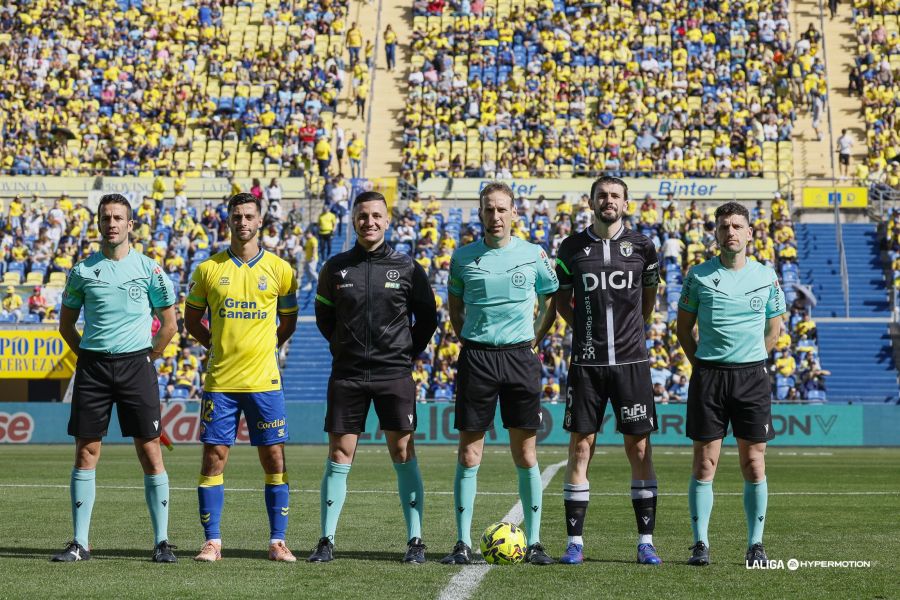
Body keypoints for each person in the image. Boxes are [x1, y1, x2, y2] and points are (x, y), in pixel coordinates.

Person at [309, 191, 438, 563]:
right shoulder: (335, 268)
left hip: (393, 373)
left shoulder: (408, 267)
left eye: (376, 215)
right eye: (363, 216)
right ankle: (326, 540)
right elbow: (324, 318)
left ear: (387, 220)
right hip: (347, 374)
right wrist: (342, 346)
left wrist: (404, 353)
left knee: (403, 451)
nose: (370, 222)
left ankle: (415, 541)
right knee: (339, 453)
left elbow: (428, 319)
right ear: (353, 220)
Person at [439, 182, 559, 565]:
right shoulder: (462, 257)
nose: (496, 216)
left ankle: (534, 543)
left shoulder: (533, 254)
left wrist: (534, 339)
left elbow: (551, 300)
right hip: (477, 358)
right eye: (489, 209)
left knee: (525, 452)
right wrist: (469, 339)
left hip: (520, 358)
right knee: (469, 452)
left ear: (514, 213)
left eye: (502, 209)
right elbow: (455, 308)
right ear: (480, 213)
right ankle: (461, 543)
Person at [54, 193, 178, 562]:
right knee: (86, 450)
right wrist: (87, 355)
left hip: (136, 366)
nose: (112, 224)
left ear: (130, 225)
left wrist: (149, 357)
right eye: (106, 217)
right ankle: (80, 543)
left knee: (150, 451)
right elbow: (66, 325)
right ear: (98, 223)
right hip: (93, 367)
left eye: (118, 218)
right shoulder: (82, 271)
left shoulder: (150, 269)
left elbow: (169, 324)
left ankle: (162, 542)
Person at [553, 176, 663, 565]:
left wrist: (631, 332)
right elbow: (562, 301)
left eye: (615, 195)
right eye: (602, 195)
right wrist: (585, 330)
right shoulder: (570, 248)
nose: (608, 200)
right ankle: (575, 543)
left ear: (626, 203)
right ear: (591, 202)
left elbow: (648, 299)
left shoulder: (644, 247)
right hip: (587, 364)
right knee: (581, 447)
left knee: (639, 448)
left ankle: (646, 541)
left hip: (632, 363)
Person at [184, 192, 299, 562]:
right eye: (237, 216)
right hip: (221, 382)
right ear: (228, 221)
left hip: (265, 382)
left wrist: (268, 346)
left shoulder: (281, 270)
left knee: (274, 458)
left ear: (260, 220)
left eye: (249, 216)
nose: (243, 222)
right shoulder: (208, 269)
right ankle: (212, 542)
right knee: (213, 457)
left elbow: (288, 322)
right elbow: (191, 320)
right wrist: (214, 344)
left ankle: (277, 541)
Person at [676, 201, 786, 567]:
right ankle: (700, 543)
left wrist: (752, 359)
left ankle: (756, 544)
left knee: (754, 462)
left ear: (750, 233)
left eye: (737, 226)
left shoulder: (766, 276)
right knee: (705, 462)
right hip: (709, 376)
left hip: (752, 378)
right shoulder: (698, 275)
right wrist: (703, 365)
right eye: (724, 227)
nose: (731, 232)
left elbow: (774, 330)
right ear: (716, 233)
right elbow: (682, 329)